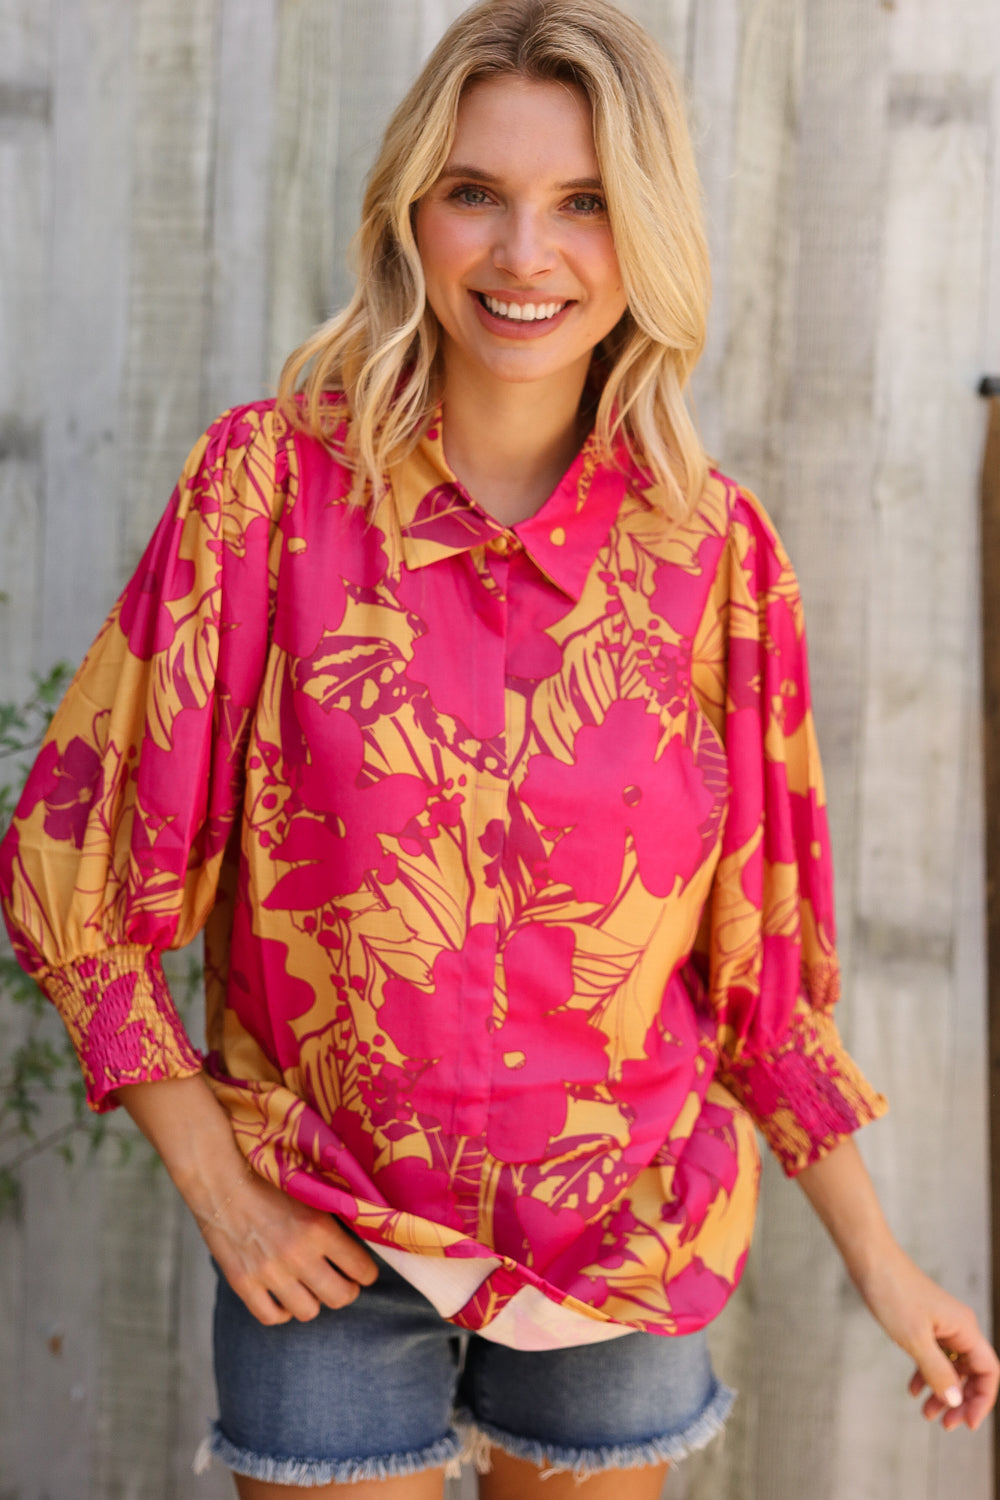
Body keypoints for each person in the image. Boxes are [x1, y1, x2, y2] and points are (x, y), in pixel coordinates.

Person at [1, 1, 997, 1496]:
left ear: (645, 233)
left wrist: (887, 1265)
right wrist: (224, 1193)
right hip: (325, 1240)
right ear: (412, 212)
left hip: (621, 1250)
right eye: (478, 191)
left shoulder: (717, 558)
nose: (526, 253)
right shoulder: (264, 496)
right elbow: (75, 874)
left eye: (583, 202)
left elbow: (762, 984)